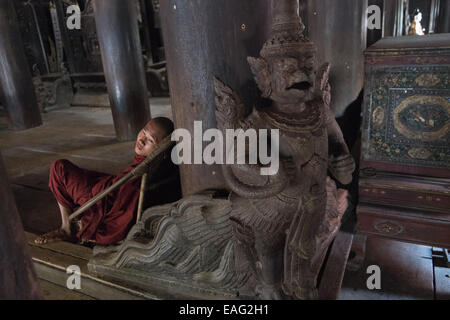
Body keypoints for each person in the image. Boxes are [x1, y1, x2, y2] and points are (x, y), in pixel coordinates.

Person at [34, 117, 174, 245]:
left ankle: (66, 228)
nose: (142, 140)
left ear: (159, 148)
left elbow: (120, 204)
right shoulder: (157, 162)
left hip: (100, 200)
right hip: (113, 186)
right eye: (143, 132)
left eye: (150, 140)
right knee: (88, 175)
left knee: (59, 168)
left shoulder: (140, 173)